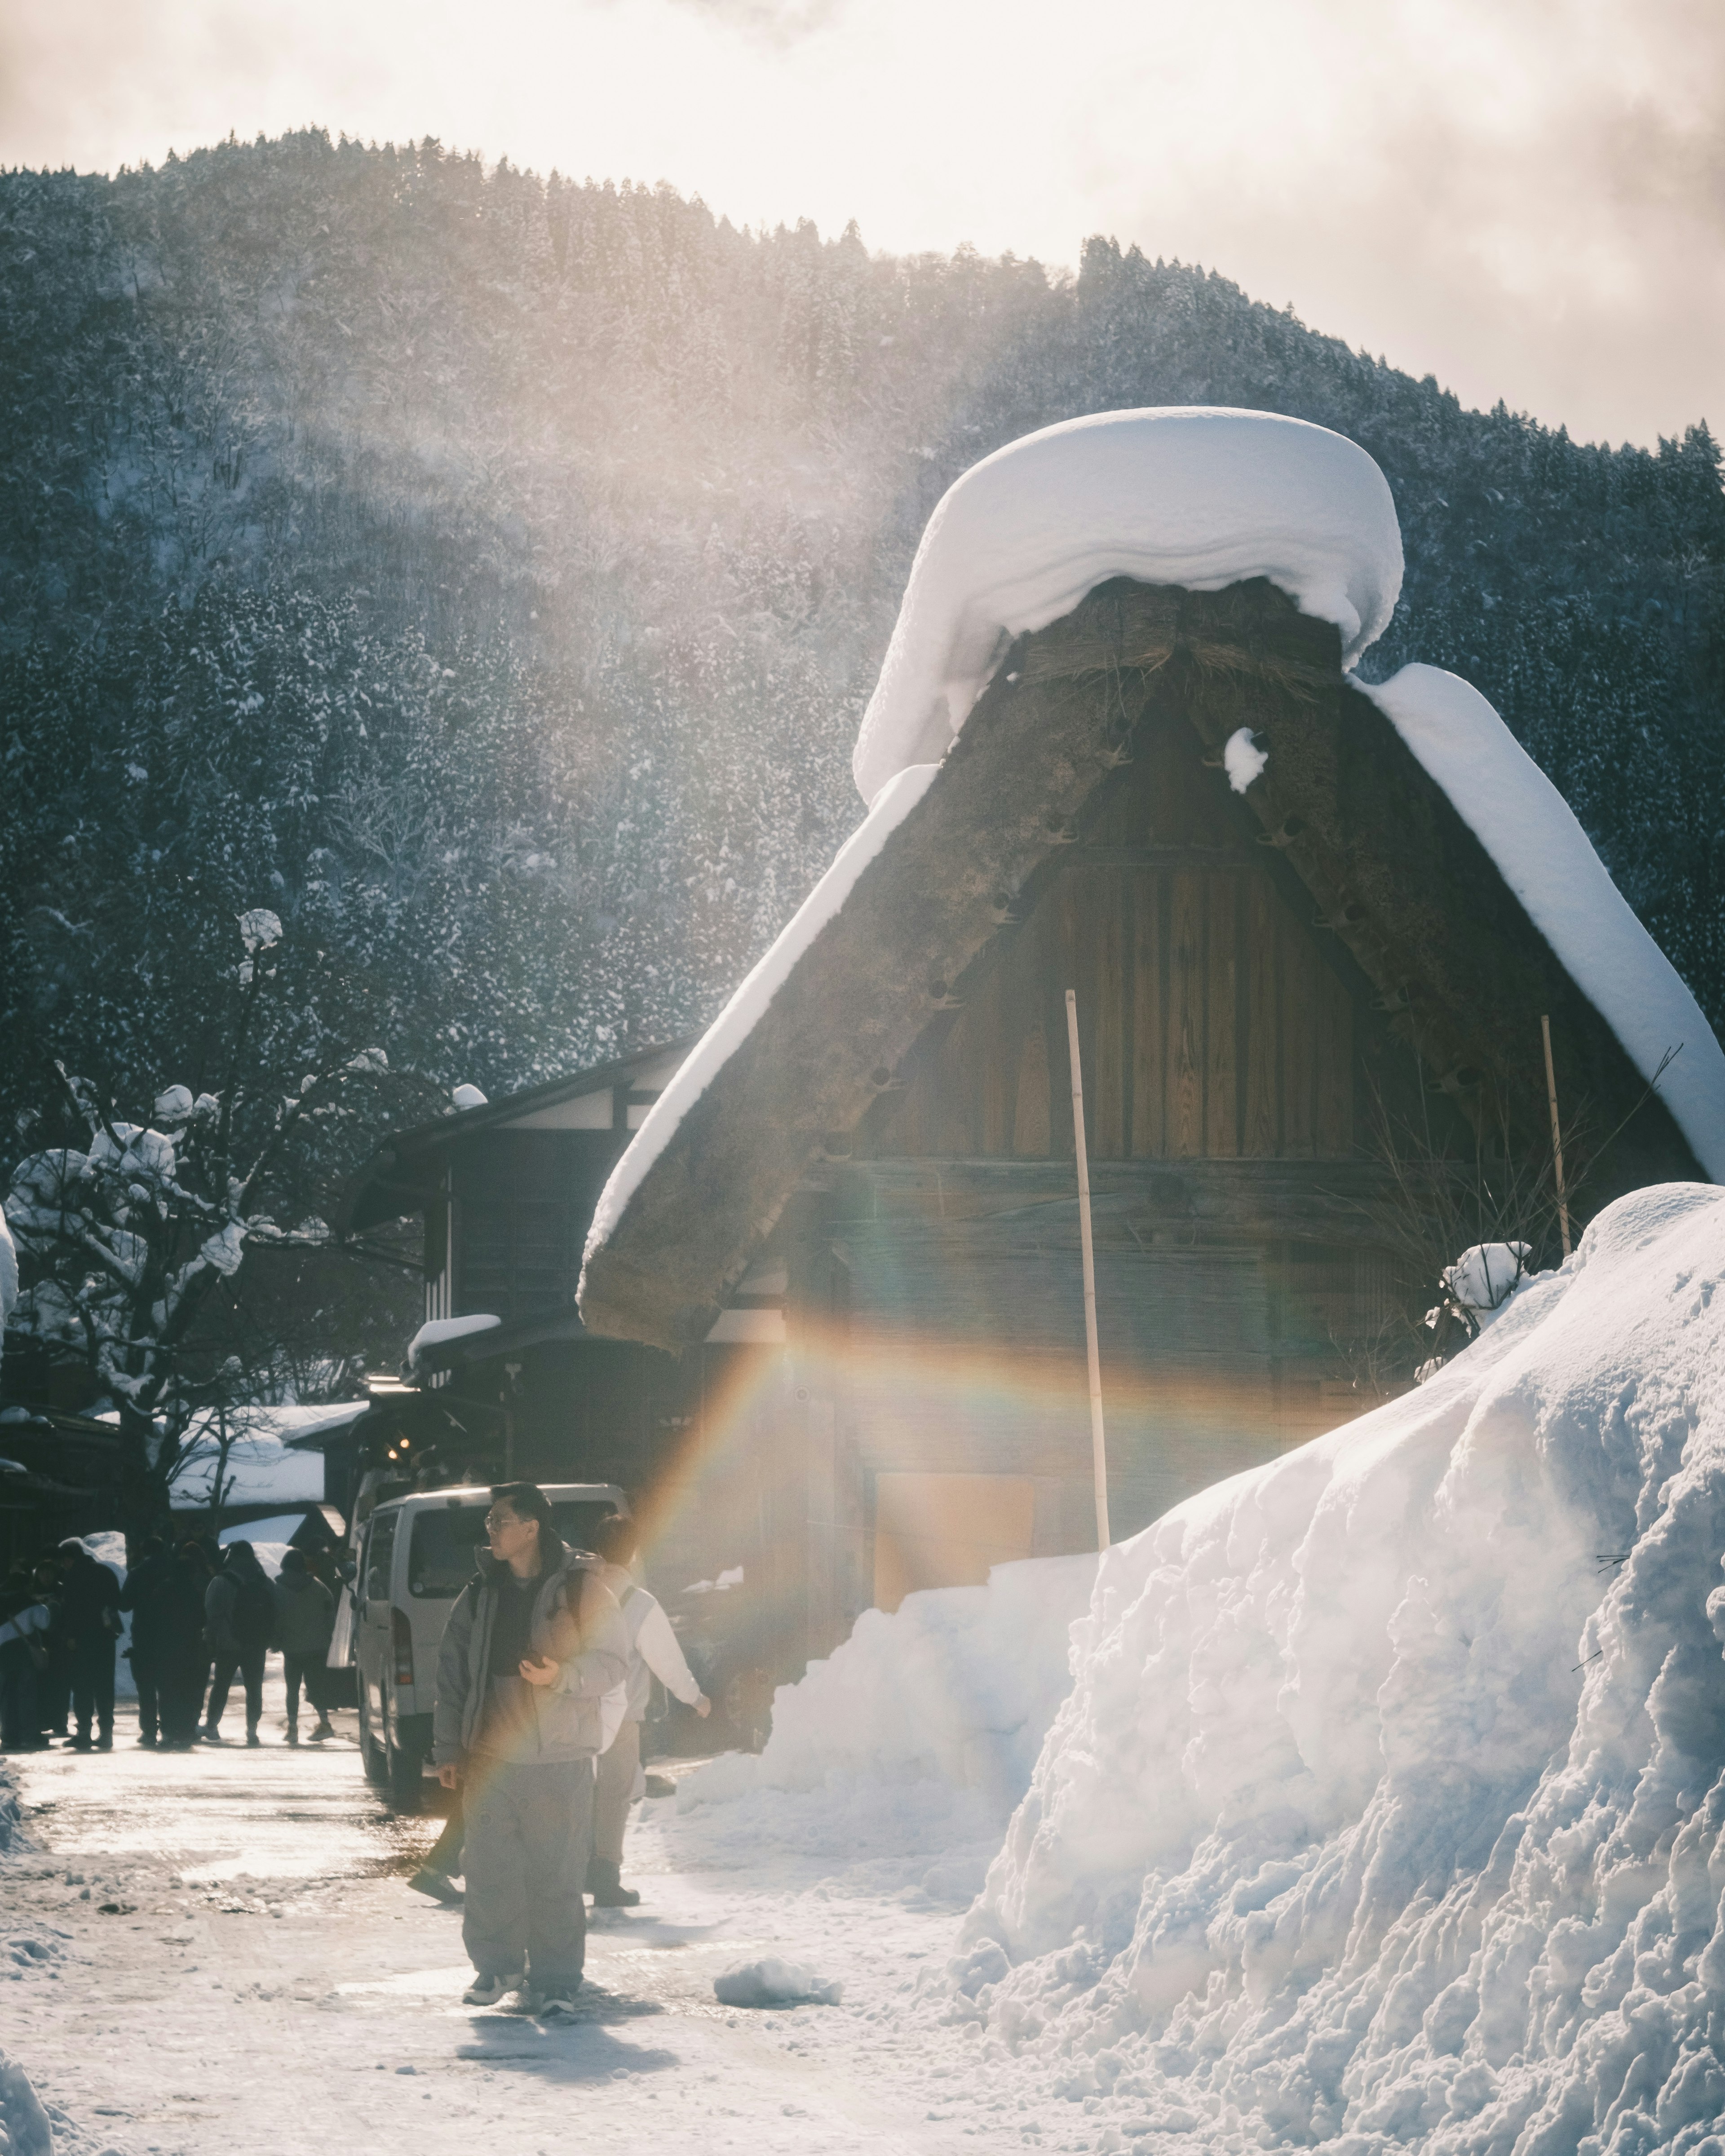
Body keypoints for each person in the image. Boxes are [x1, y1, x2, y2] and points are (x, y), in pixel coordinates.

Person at [432, 1481, 628, 2015]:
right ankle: (497, 1969)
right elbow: (451, 1677)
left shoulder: (584, 1589)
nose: (490, 1530)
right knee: (488, 1871)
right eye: (491, 1521)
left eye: (500, 1520)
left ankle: (557, 1980)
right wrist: (449, 1749)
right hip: (491, 1759)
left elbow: (614, 1662)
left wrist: (561, 1676)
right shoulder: (479, 1593)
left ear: (532, 1528)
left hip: (559, 1757)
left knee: (557, 1875)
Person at [588, 1511, 710, 1908]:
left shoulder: (577, 1593)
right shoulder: (639, 1603)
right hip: (620, 1717)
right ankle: (604, 1878)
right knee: (614, 1796)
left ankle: (565, 1873)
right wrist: (695, 1698)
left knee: (574, 1794)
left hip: (570, 1711)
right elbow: (666, 1661)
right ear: (635, 1551)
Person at [203, 1541, 275, 1745]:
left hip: (229, 1643)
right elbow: (275, 1608)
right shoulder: (263, 1580)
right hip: (256, 1644)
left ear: (232, 1556)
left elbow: (211, 1610)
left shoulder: (222, 1580)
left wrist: (215, 1634)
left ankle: (212, 1726)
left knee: (222, 1685)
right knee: (254, 1688)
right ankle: (252, 1729)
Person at [57, 1538, 122, 1751]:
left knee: (83, 1685)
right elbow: (117, 1601)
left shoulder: (73, 1576)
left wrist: (70, 1636)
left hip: (83, 1639)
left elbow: (71, 1611)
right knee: (104, 1686)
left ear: (69, 1559)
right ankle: (107, 1734)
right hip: (105, 1636)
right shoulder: (105, 1572)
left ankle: (84, 1732)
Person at [272, 1547, 336, 1744]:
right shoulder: (318, 1587)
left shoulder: (278, 1589)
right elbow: (330, 1613)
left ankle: (292, 1729)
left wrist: (276, 1640)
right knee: (316, 1687)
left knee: (292, 1689)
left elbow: (274, 1618)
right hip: (317, 1646)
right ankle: (325, 1723)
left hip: (291, 1647)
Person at [157, 1542, 215, 1750]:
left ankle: (167, 1731)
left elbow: (155, 1618)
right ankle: (185, 1730)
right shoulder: (193, 1591)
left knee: (167, 1691)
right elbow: (201, 1619)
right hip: (189, 1648)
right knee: (187, 1690)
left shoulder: (163, 1589)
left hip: (166, 1648)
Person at [117, 1535, 172, 1746]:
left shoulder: (138, 1573)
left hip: (145, 1636)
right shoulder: (174, 1570)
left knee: (147, 1686)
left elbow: (124, 1605)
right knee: (168, 1686)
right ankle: (169, 1729)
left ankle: (149, 1730)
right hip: (171, 1636)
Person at [0, 1562, 53, 1751]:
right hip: (23, 1653)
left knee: (6, 1696)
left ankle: (8, 1736)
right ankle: (27, 1736)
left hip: (2, 1655)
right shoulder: (29, 1602)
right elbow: (44, 1623)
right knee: (26, 1695)